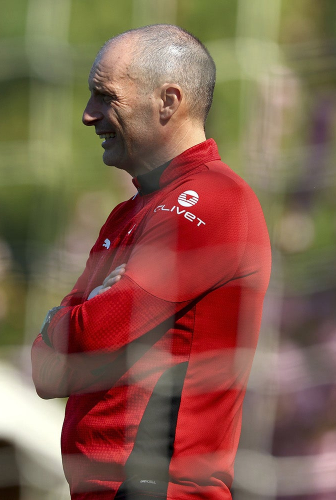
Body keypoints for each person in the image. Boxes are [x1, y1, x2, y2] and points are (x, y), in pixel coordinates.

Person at [30, 24, 271, 500]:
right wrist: (77, 321)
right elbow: (46, 372)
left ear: (167, 102)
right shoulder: (127, 213)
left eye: (105, 96)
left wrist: (66, 320)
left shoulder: (214, 198)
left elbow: (96, 334)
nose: (88, 114)